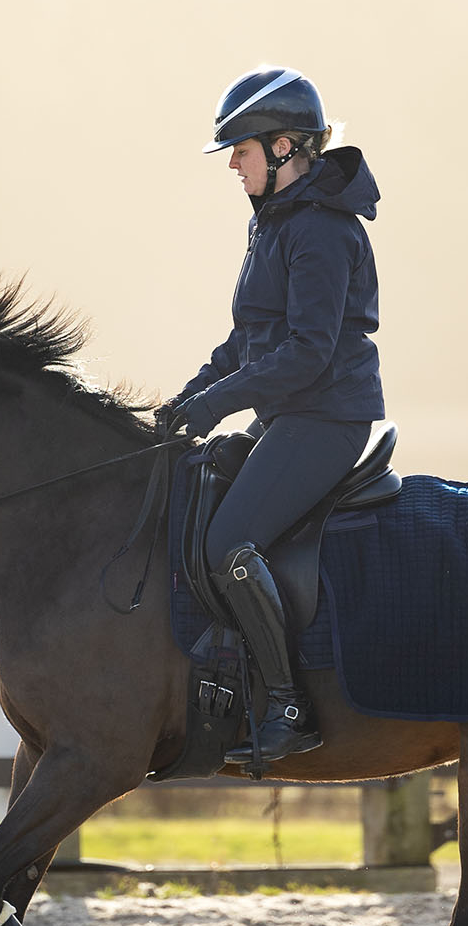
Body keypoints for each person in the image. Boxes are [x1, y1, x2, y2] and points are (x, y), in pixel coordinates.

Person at [162, 67, 384, 766]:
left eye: (243, 149)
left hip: (326, 417)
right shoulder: (276, 224)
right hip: (291, 414)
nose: (233, 162)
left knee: (231, 545)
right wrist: (183, 402)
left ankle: (288, 706)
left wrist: (214, 404)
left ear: (285, 148)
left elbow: (308, 354)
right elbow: (245, 343)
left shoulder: (319, 231)